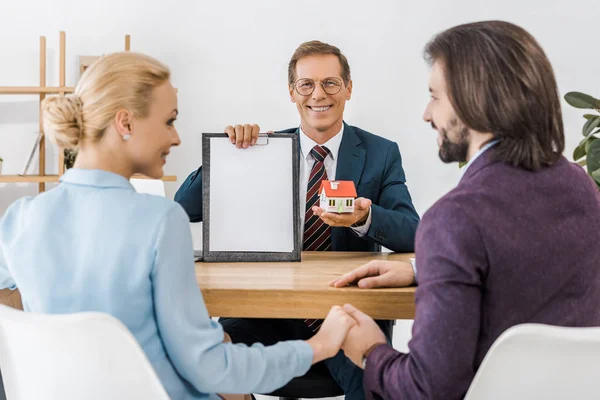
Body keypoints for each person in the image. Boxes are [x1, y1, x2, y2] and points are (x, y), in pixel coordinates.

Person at [0, 52, 356, 400]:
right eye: (169, 121)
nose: (176, 138)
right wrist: (319, 346)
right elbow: (210, 368)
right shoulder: (159, 220)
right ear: (125, 123)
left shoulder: (20, 217)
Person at [330, 20, 600, 399]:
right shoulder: (581, 186)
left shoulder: (454, 219)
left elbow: (426, 391)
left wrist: (371, 351)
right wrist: (422, 268)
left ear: (474, 101)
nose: (427, 114)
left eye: (435, 97)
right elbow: (521, 251)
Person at [174, 40, 420, 399]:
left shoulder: (381, 153)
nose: (318, 94)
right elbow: (184, 207)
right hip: (266, 309)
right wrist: (226, 156)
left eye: (330, 83)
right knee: (215, 362)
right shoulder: (263, 150)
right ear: (292, 92)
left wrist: (366, 217)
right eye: (306, 84)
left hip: (345, 310)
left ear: (348, 88)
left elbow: (414, 234)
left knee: (373, 385)